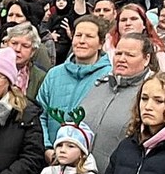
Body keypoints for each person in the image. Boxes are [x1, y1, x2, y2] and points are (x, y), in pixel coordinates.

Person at [77, 31, 154, 174]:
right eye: (118, 54)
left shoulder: (151, 93)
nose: (121, 59)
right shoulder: (99, 84)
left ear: (146, 59)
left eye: (130, 55)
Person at [36, 15, 111, 153]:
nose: (82, 41)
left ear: (101, 43)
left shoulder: (109, 77)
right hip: (51, 157)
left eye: (89, 36)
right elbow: (40, 114)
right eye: (78, 35)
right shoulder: (54, 74)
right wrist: (47, 148)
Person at [107, 3, 165, 70]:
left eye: (134, 19)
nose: (128, 23)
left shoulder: (156, 50)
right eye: (123, 20)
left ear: (144, 24)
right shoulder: (107, 47)